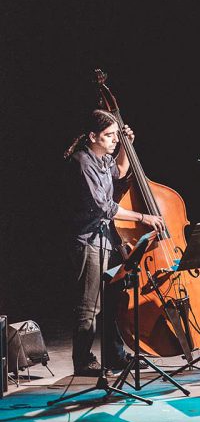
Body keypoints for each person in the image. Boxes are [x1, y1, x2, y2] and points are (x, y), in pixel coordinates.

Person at [64, 109, 164, 376]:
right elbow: (103, 207)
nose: (114, 140)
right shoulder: (82, 162)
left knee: (113, 301)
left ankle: (115, 356)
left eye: (116, 135)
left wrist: (126, 147)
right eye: (109, 136)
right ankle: (83, 362)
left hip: (107, 238)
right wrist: (143, 216)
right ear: (92, 136)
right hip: (88, 239)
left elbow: (120, 171)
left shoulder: (105, 158)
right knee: (89, 305)